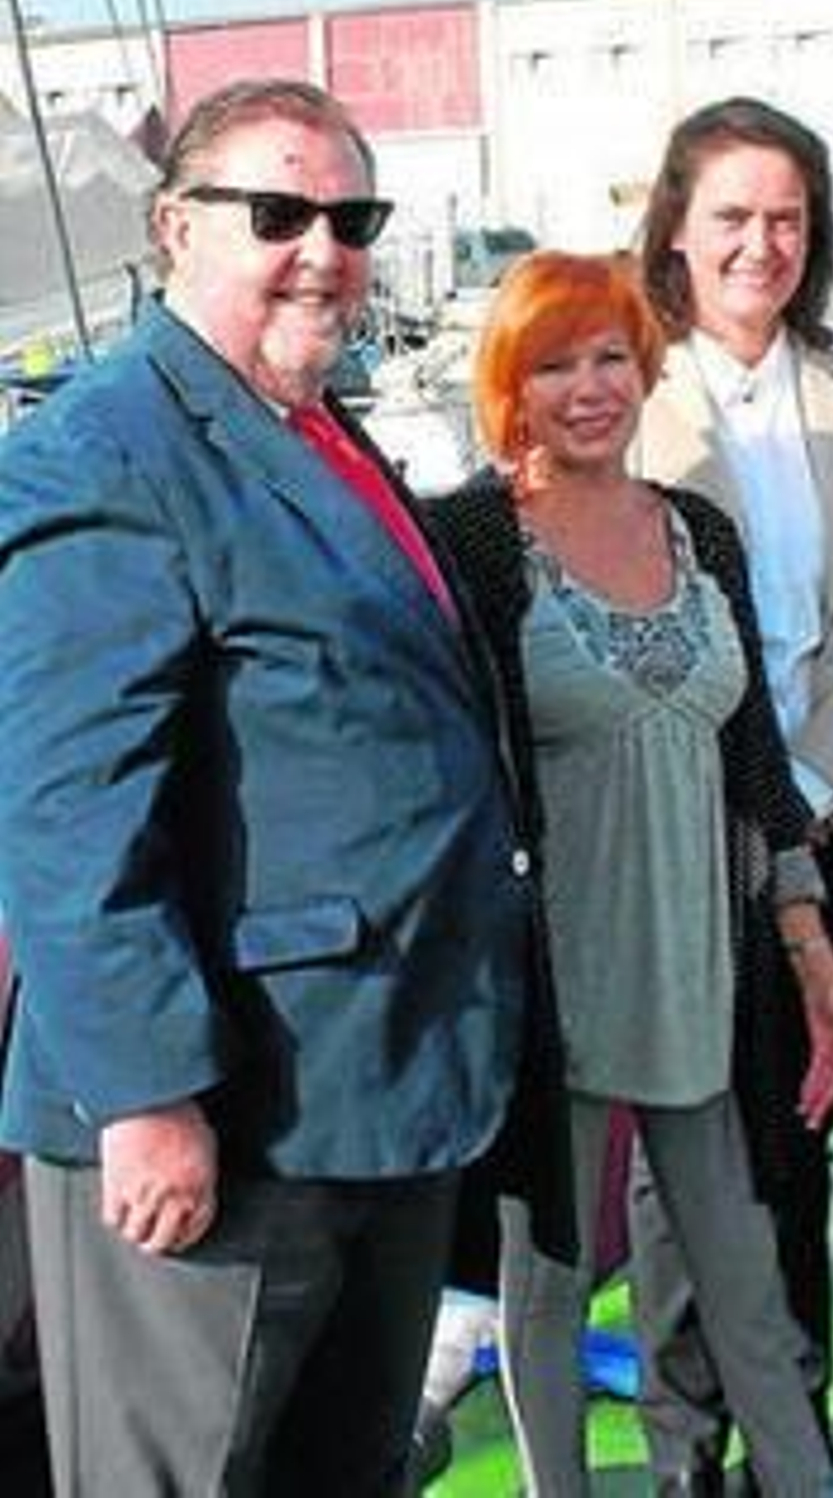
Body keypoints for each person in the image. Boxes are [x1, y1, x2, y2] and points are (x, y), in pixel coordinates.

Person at [0, 78, 560, 1495]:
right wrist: (145, 1096)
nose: (322, 245)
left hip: (381, 1090)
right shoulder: (104, 451)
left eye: (350, 215)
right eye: (279, 211)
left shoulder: (318, 425)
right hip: (225, 1125)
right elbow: (69, 812)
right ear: (176, 226)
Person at [426, 249, 833, 1498]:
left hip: (701, 972)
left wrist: (813, 955)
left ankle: (800, 1480)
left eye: (609, 355)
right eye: (554, 363)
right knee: (548, 1280)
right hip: (548, 986)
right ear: (510, 384)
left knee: (740, 1260)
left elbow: (756, 766)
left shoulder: (702, 533)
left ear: (645, 364)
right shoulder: (466, 537)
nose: (588, 387)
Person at [629, 94, 833, 1490]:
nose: (761, 243)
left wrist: (808, 787)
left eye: (786, 219)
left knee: (798, 1155)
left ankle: (796, 1448)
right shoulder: (620, 388)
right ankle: (687, 1448)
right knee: (673, 1175)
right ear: (676, 233)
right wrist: (744, 797)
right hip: (671, 845)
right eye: (731, 217)